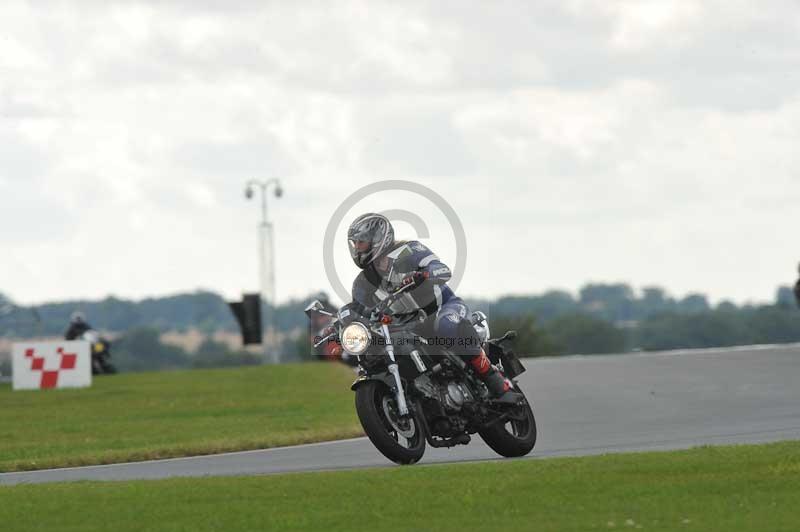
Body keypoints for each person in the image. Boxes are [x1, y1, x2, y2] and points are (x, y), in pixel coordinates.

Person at [346, 213, 513, 397]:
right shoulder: (362, 283)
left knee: (446, 325)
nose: (357, 248)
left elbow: (442, 269)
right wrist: (343, 321)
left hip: (444, 307)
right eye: (354, 244)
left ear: (378, 238)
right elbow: (360, 311)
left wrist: (424, 274)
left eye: (361, 242)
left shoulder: (409, 250)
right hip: (408, 325)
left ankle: (493, 378)